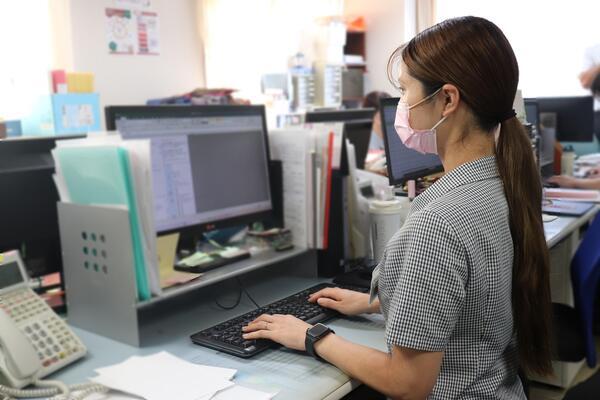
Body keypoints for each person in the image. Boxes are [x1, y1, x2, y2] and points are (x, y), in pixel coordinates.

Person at [243, 16, 552, 399]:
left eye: (405, 91)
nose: (400, 106)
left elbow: (407, 384)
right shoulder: (503, 184)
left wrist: (310, 335)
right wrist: (381, 302)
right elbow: (474, 314)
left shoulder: (437, 224)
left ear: (448, 100)